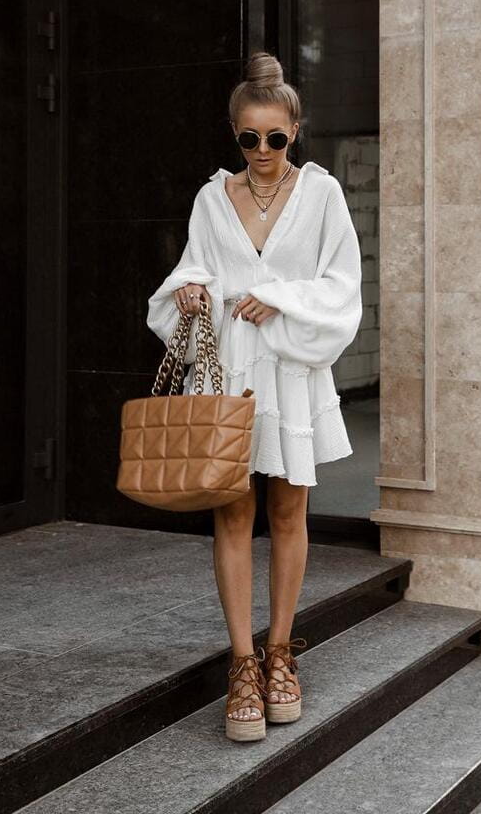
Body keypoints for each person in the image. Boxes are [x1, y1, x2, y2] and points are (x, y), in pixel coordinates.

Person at [146, 50, 363, 743]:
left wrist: (280, 298)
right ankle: (241, 664)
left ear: (294, 130)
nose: (263, 150)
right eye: (249, 138)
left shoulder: (322, 194)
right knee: (233, 512)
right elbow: (194, 271)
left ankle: (280, 655)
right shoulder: (212, 199)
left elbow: (342, 285)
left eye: (274, 137)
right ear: (234, 133)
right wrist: (191, 292)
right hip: (231, 369)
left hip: (290, 369)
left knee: (290, 511)